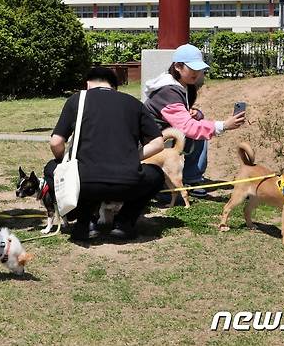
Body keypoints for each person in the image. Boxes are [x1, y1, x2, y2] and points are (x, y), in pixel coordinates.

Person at [47, 67, 166, 241]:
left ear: (88, 83)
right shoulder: (133, 103)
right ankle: (124, 223)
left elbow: (56, 142)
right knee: (156, 174)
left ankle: (85, 223)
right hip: (127, 183)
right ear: (114, 86)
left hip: (85, 182)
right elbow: (158, 142)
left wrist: (61, 161)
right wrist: (133, 158)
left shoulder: (76, 100)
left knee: (52, 169)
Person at [143, 44, 246, 198]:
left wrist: (197, 113)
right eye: (192, 68)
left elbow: (183, 118)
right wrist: (223, 125)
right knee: (199, 132)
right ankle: (166, 184)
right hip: (148, 142)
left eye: (199, 69)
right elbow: (187, 127)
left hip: (162, 136)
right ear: (178, 66)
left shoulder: (183, 85)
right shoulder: (168, 91)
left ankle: (191, 179)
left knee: (201, 130)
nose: (197, 73)